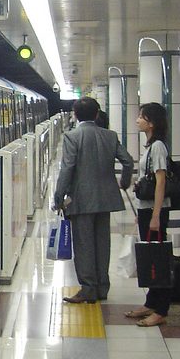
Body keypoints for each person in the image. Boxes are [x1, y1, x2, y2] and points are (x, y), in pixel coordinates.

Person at [53, 97, 134, 304]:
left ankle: (88, 289)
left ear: (75, 114)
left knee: (84, 245)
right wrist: (123, 183)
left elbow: (67, 169)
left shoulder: (72, 136)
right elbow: (127, 161)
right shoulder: (110, 135)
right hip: (105, 199)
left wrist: (58, 196)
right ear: (97, 114)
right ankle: (102, 288)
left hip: (81, 200)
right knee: (102, 243)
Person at [125, 103, 174, 327]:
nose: (137, 120)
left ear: (151, 122)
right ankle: (151, 302)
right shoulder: (150, 145)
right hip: (147, 209)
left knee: (158, 258)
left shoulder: (158, 148)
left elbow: (161, 181)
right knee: (150, 255)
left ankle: (161, 309)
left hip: (156, 211)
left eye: (141, 117)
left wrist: (155, 215)